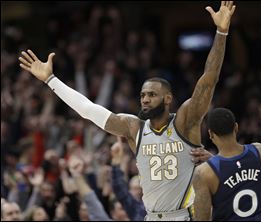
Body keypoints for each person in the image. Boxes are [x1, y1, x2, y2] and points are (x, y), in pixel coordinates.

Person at [18, 1, 236, 220]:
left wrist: (221, 32)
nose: (145, 99)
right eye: (142, 95)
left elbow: (208, 81)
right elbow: (87, 109)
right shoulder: (133, 128)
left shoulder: (184, 122)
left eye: (152, 95)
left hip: (186, 215)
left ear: (168, 98)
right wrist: (50, 79)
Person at [193, 108, 261, 221]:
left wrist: (213, 162)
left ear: (210, 134)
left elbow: (201, 219)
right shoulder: (260, 152)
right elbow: (240, 168)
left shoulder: (205, 173)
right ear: (236, 127)